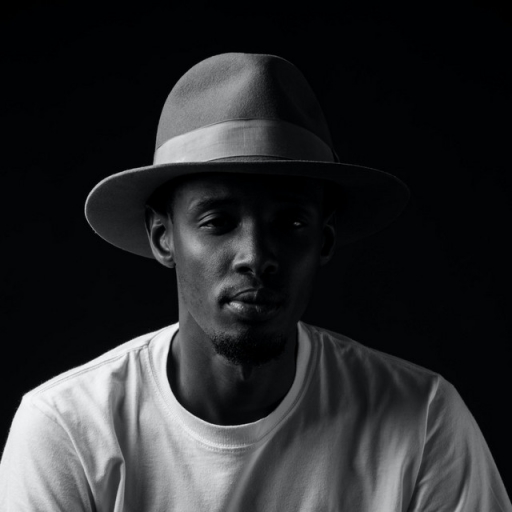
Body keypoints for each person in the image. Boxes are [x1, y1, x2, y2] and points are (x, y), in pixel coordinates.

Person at [0, 52, 510, 511]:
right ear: (163, 237)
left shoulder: (423, 421)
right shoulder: (69, 430)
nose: (256, 257)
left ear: (324, 241)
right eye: (218, 221)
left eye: (291, 223)